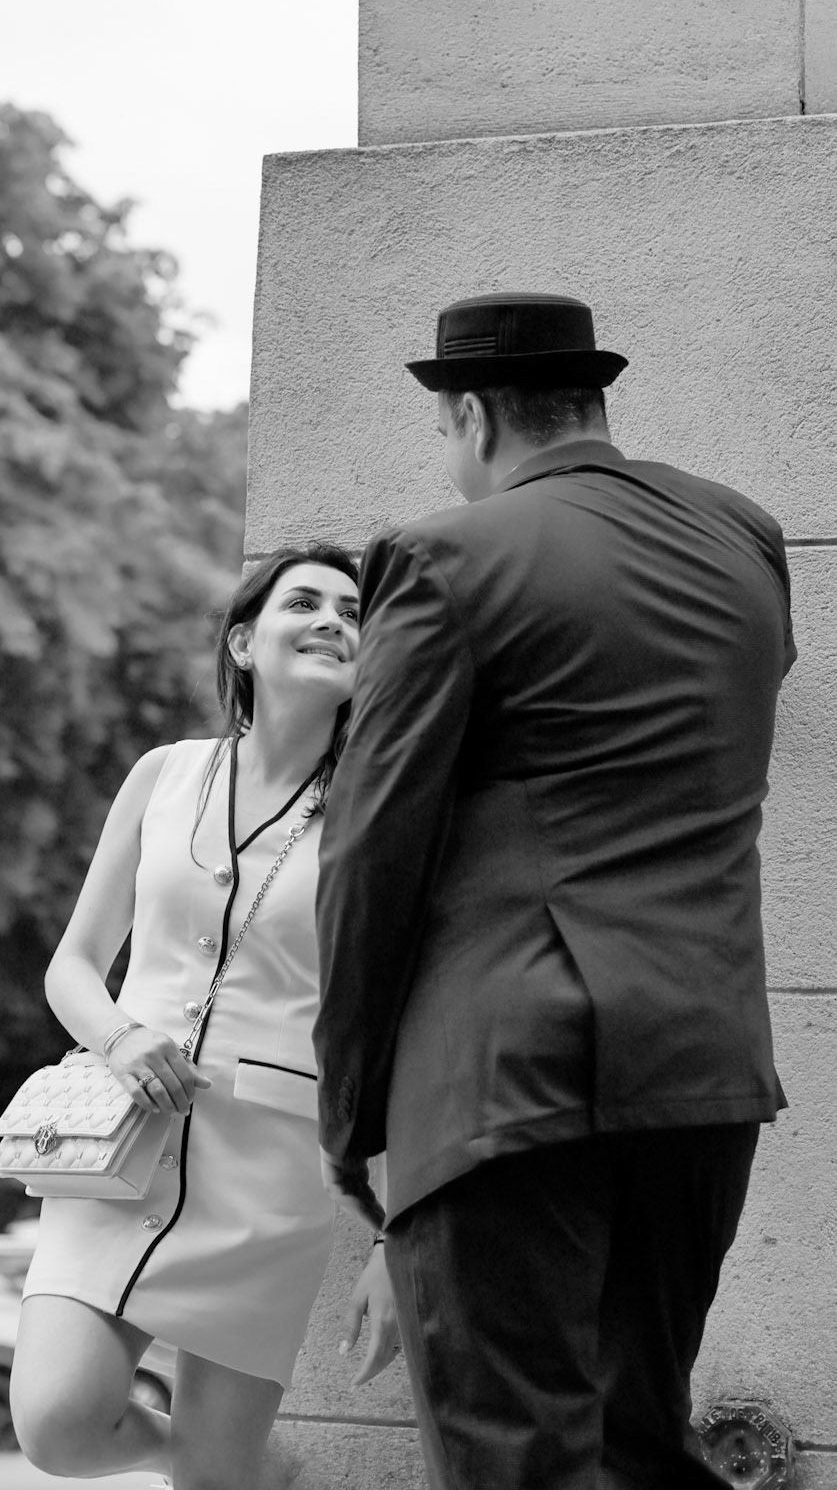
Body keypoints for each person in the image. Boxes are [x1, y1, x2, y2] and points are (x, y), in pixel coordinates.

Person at [314, 291, 796, 1490]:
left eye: (443, 431)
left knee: (516, 1459)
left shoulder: (444, 557)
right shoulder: (745, 535)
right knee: (640, 1445)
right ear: (588, 397)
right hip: (703, 1072)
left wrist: (349, 1118)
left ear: (470, 414)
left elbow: (370, 854)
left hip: (506, 1083)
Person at [12, 544, 394, 1490]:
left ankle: (233, 1470)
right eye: (302, 601)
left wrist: (394, 1233)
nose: (330, 621)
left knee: (211, 1485)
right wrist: (118, 1034)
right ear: (241, 642)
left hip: (269, 1179)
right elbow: (71, 967)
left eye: (350, 613)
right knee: (55, 1426)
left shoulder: (369, 815)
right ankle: (264, 1470)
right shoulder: (163, 775)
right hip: (116, 1155)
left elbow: (396, 1027)